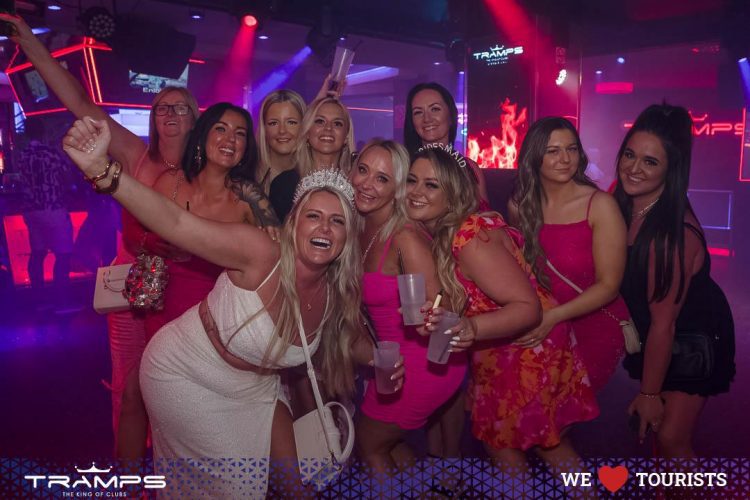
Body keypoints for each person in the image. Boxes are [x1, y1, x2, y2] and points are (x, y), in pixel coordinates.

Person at [62, 117, 401, 496]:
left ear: (346, 236)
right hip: (187, 373)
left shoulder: (335, 288)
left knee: (294, 489)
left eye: (337, 221)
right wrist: (103, 171)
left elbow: (346, 338)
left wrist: (385, 358)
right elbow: (176, 221)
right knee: (233, 490)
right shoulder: (261, 252)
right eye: (314, 216)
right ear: (293, 224)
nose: (324, 228)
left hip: (256, 385)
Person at [0, 13, 201, 457]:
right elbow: (77, 99)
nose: (170, 113)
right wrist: (29, 41)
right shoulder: (135, 154)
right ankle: (127, 479)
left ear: (195, 118)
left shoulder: (205, 174)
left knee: (177, 394)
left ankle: (169, 472)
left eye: (180, 107)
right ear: (152, 116)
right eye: (162, 107)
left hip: (183, 294)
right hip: (129, 289)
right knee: (128, 392)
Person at [407, 145, 598, 476]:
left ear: (452, 193)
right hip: (502, 347)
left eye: (431, 185)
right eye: (412, 180)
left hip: (526, 347)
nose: (416, 191)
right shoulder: (448, 231)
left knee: (526, 443)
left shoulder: (469, 238)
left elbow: (527, 308)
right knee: (532, 444)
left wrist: (471, 328)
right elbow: (474, 292)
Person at [614, 104, 735, 457]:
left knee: (670, 436)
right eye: (629, 155)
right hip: (658, 330)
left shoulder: (672, 237)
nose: (634, 168)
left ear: (671, 169)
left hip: (692, 337)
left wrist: (649, 393)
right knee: (659, 436)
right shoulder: (622, 203)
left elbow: (664, 325)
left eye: (650, 162)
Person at [350, 139, 466, 475]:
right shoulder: (360, 224)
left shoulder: (404, 238)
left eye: (382, 179)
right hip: (390, 362)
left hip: (422, 363)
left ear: (397, 189)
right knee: (389, 445)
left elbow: (446, 307)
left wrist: (430, 318)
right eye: (362, 170)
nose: (367, 184)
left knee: (369, 445)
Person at [509, 117, 628, 393]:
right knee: (535, 410)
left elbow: (609, 286)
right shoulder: (520, 206)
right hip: (542, 322)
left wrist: (553, 317)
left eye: (572, 149)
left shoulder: (600, 205)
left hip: (591, 325)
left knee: (566, 409)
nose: (565, 159)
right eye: (553, 151)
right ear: (533, 156)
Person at [16, 118, 75, 297]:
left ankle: (39, 300)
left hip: (31, 211)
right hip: (54, 208)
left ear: (27, 133)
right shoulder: (51, 153)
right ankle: (62, 300)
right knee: (63, 255)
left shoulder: (22, 155)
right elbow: (67, 176)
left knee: (37, 253)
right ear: (43, 132)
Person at [404, 82, 489, 204]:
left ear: (451, 116)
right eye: (418, 112)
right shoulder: (403, 165)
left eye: (435, 109)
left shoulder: (469, 168)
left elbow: (484, 213)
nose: (427, 119)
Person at [256, 90, 307, 221]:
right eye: (273, 123)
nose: (282, 131)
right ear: (264, 129)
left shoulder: (311, 177)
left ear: (304, 126)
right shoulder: (249, 176)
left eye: (291, 122)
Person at [295, 96, 355, 177]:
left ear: (346, 136)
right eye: (320, 121)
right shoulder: (286, 180)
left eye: (337, 123)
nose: (328, 128)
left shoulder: (355, 182)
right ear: (307, 132)